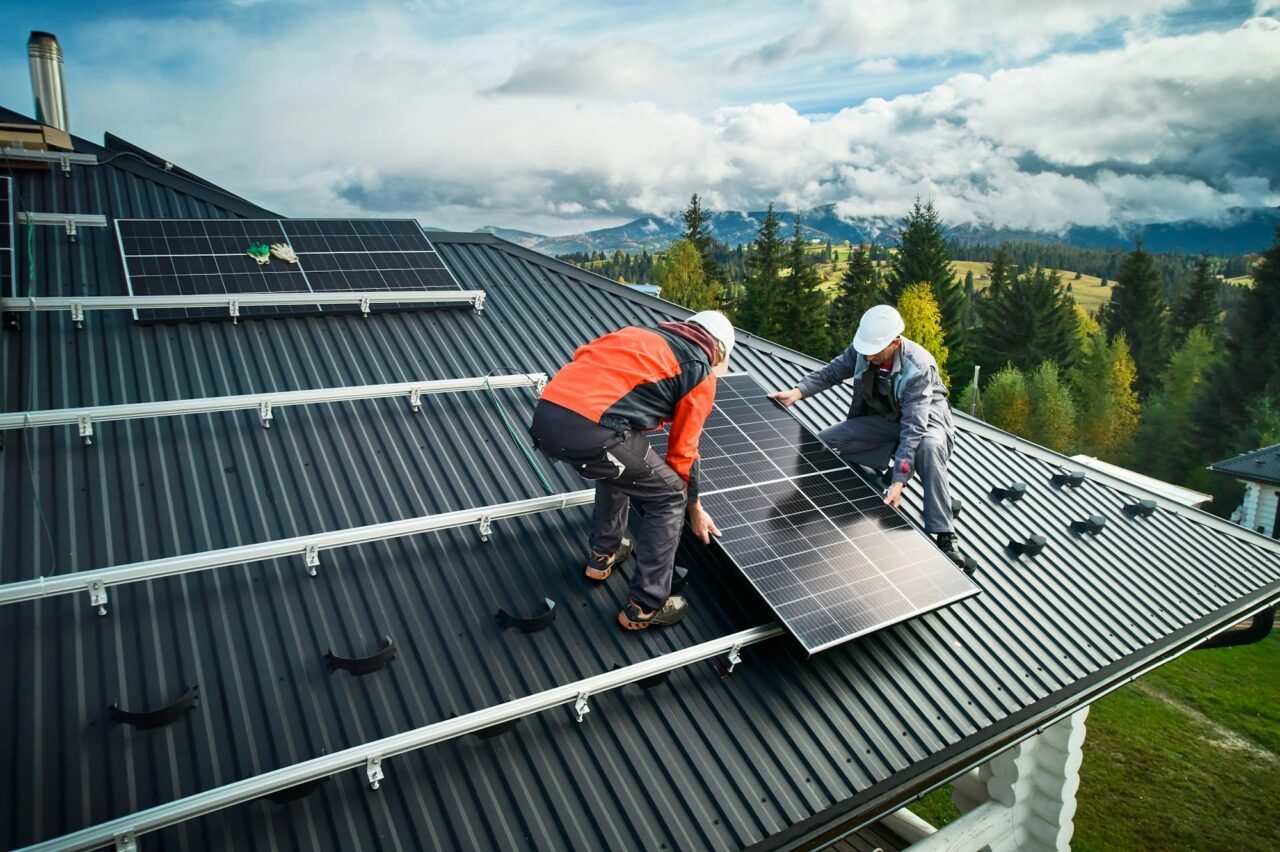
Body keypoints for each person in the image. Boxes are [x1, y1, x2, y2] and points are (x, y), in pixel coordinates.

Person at [530, 310, 735, 630]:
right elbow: (683, 452)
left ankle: (603, 554)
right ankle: (646, 605)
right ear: (718, 350)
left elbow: (582, 358)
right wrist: (693, 504)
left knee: (623, 465)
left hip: (544, 416)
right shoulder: (699, 371)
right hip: (591, 430)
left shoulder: (634, 334)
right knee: (669, 496)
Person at [768, 304, 966, 568]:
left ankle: (945, 533)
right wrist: (797, 392)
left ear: (895, 343)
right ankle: (887, 458)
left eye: (874, 352)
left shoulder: (918, 367)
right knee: (826, 441)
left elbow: (913, 428)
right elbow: (831, 372)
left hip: (925, 421)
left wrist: (899, 481)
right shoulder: (864, 351)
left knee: (927, 450)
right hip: (887, 419)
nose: (868, 357)